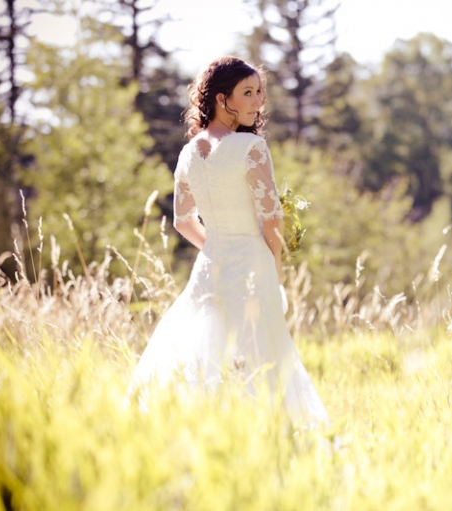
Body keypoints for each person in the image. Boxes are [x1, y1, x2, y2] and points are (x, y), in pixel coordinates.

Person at [129, 56, 329, 426]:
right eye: (248, 93)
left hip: (210, 267)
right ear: (223, 100)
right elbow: (272, 221)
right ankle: (273, 433)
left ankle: (212, 430)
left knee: (208, 354)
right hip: (252, 265)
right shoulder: (250, 149)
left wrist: (216, 249)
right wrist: (277, 268)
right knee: (262, 354)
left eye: (259, 93)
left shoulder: (189, 153)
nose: (258, 102)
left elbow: (183, 221)